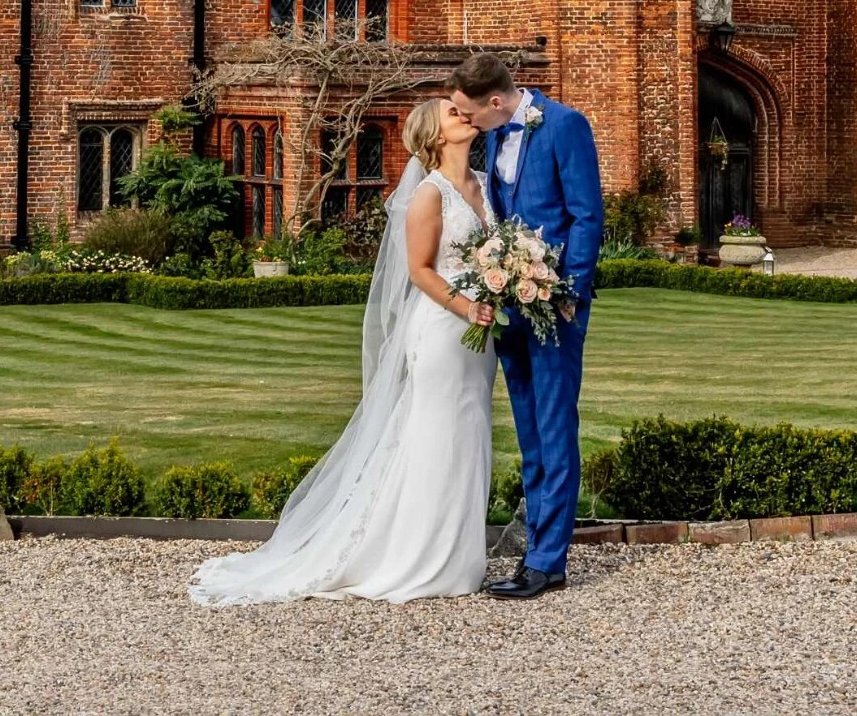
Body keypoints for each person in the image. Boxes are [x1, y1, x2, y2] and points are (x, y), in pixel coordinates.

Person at [188, 98, 498, 605]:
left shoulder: (486, 185)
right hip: (444, 329)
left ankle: (460, 554)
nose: (463, 114)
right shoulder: (428, 194)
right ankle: (417, 556)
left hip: (480, 338)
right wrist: (466, 307)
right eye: (451, 113)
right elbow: (420, 270)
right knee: (435, 432)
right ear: (434, 136)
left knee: (471, 430)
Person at [450, 52, 602, 600]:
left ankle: (547, 563)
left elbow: (587, 215)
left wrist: (570, 291)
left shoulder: (565, 126)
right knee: (529, 430)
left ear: (497, 101)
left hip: (555, 302)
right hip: (509, 298)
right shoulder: (490, 136)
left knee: (556, 425)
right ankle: (535, 549)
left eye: (471, 113)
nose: (467, 123)